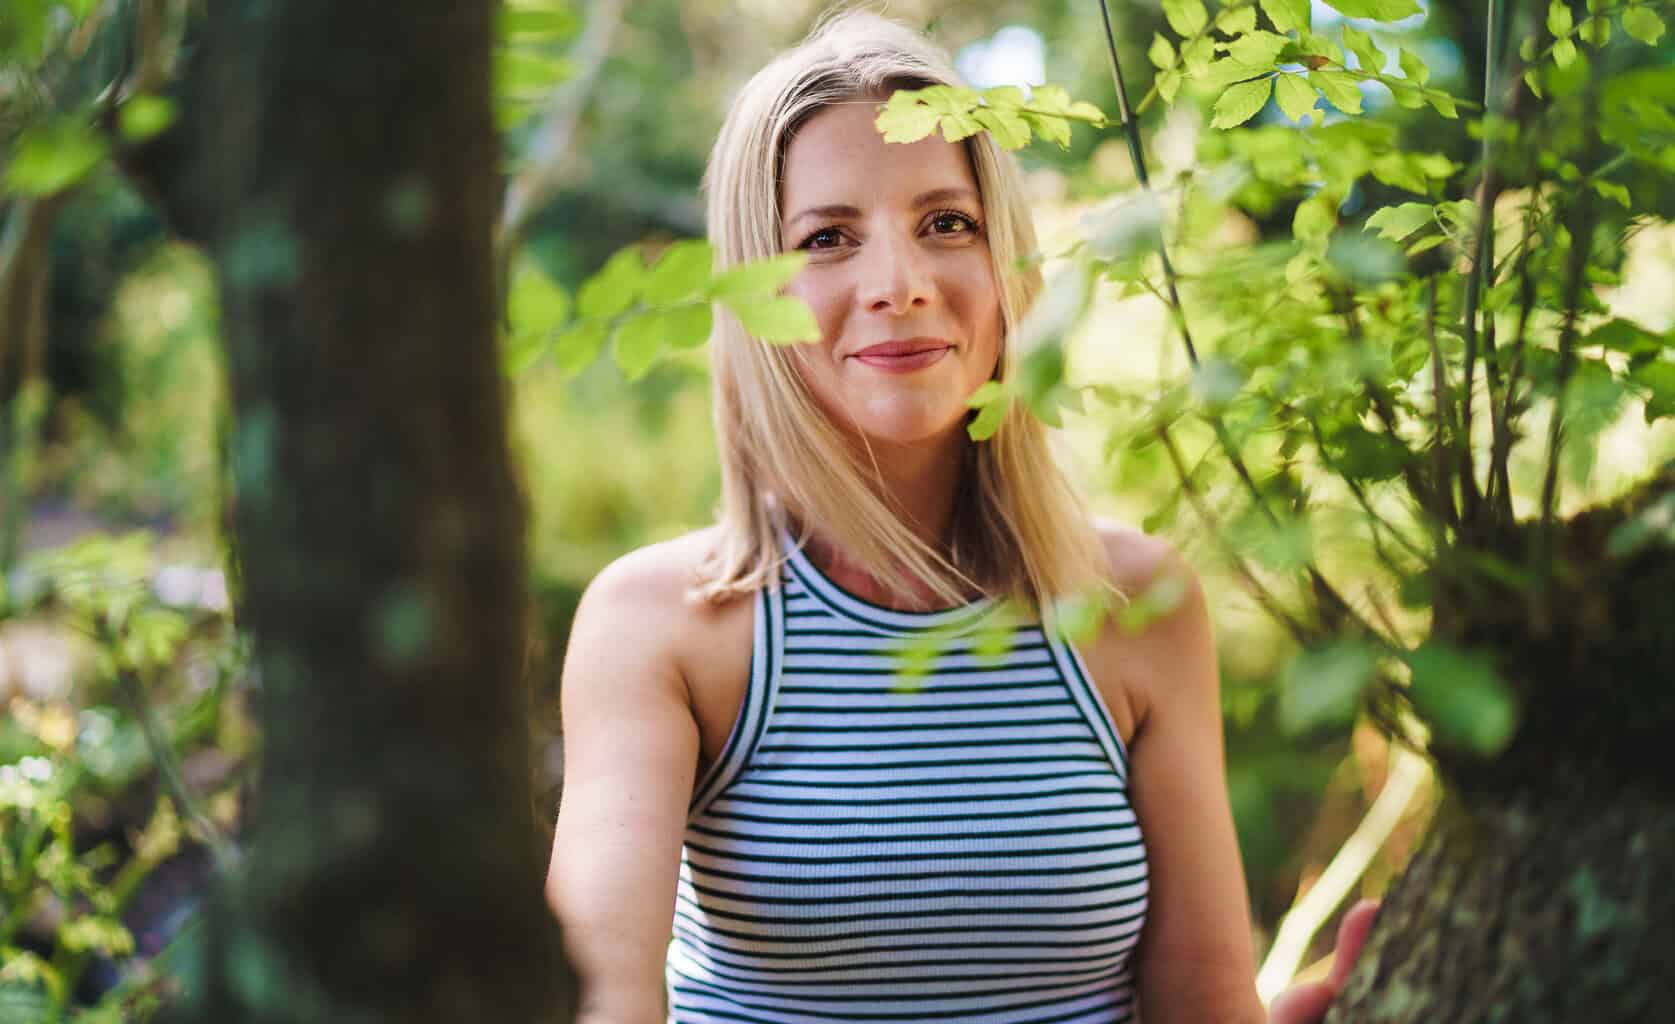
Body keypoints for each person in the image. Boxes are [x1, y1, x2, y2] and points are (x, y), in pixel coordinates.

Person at [547, 11, 1372, 1024]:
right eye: (826, 238)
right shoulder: (664, 625)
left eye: (946, 223)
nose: (898, 285)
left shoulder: (1131, 606)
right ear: (752, 294)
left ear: (1007, 263)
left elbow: (1200, 996)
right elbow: (599, 1002)